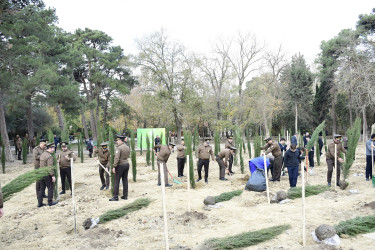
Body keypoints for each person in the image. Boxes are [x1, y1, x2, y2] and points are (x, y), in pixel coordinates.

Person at [109, 135, 131, 201]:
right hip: (126, 164)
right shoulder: (127, 147)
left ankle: (115, 197)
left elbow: (116, 158)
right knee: (125, 180)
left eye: (117, 140)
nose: (117, 141)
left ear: (121, 140)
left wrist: (114, 166)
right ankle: (125, 195)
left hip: (120, 165)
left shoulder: (119, 148)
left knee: (116, 181)